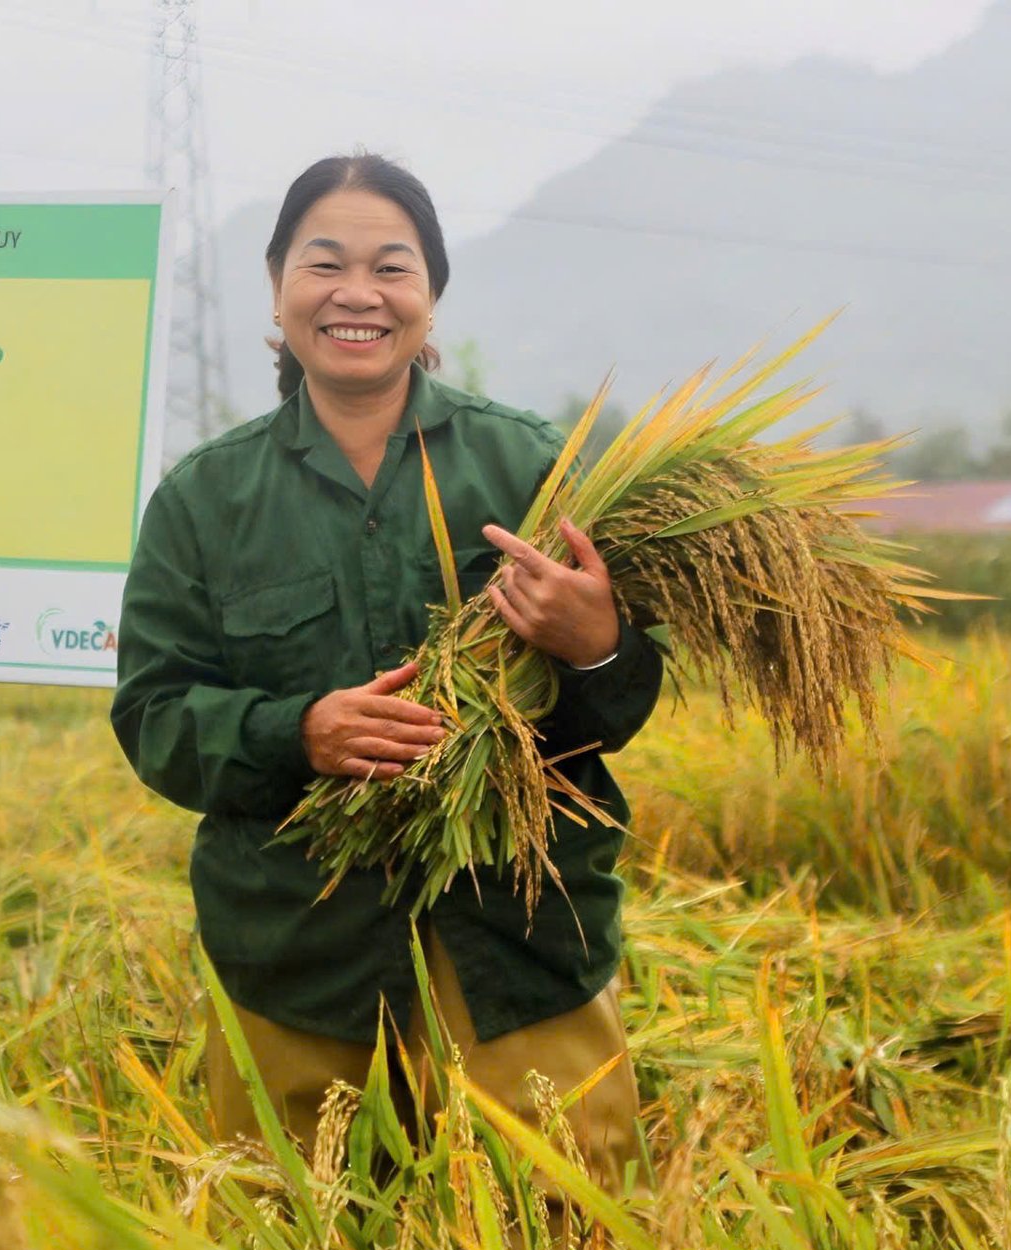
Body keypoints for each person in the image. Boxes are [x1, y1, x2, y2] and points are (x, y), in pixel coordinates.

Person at [110, 153, 664, 1189]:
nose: (357, 292)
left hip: (516, 944)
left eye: (392, 267)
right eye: (324, 264)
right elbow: (154, 716)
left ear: (430, 297)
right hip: (299, 957)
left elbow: (623, 705)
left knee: (562, 1223)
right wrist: (298, 734)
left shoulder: (532, 468)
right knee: (296, 1234)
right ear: (278, 292)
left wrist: (597, 643)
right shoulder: (204, 501)